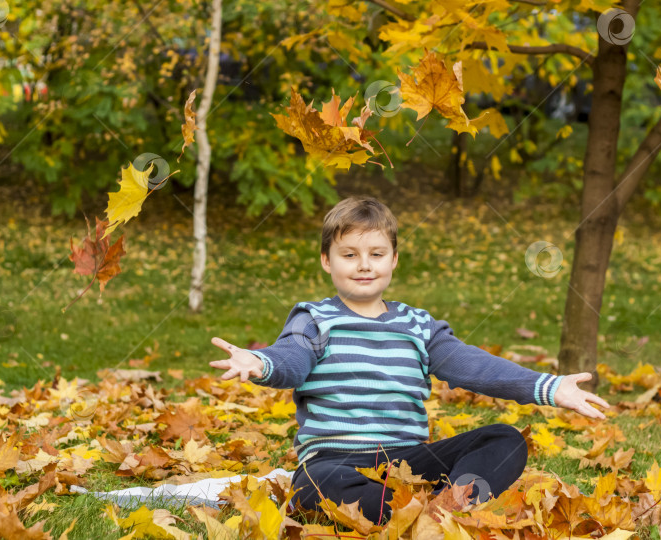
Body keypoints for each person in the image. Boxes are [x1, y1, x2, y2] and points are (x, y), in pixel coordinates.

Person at [209, 196, 610, 525]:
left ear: (394, 259)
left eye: (376, 253)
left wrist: (549, 387)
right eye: (349, 254)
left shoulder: (418, 326)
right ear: (327, 261)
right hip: (336, 462)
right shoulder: (314, 319)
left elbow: (471, 365)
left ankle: (447, 505)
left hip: (408, 464)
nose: (364, 264)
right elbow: (291, 359)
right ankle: (415, 516)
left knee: (504, 441)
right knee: (317, 484)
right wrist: (260, 364)